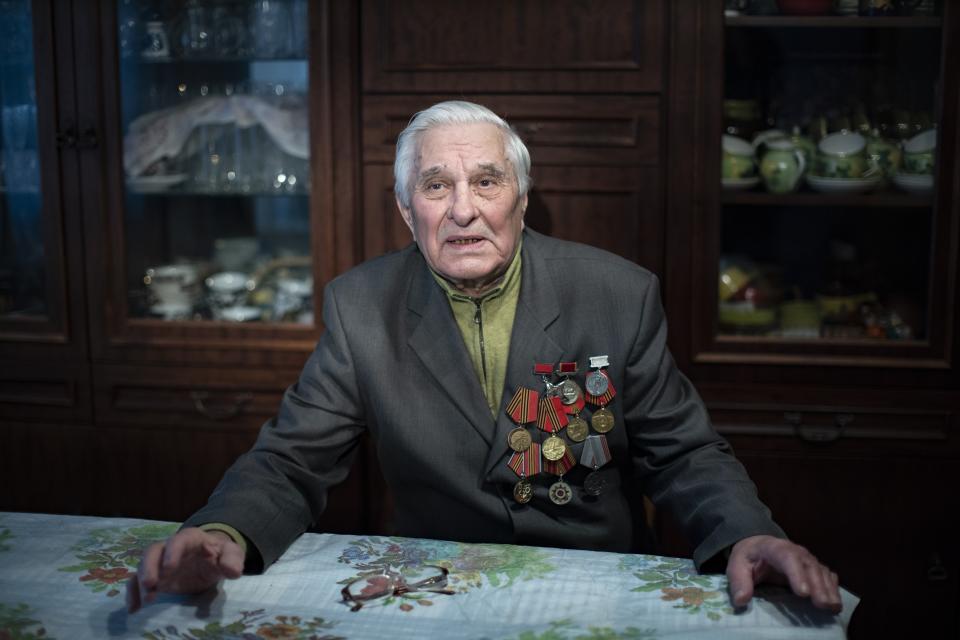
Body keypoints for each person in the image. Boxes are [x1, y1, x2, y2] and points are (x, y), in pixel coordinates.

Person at [127, 100, 841, 614]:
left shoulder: (617, 293)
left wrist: (749, 533)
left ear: (521, 200)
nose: (462, 209)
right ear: (408, 210)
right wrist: (224, 530)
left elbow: (684, 454)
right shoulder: (359, 305)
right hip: (431, 590)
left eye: (487, 182)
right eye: (436, 186)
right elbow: (291, 458)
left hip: (590, 582)